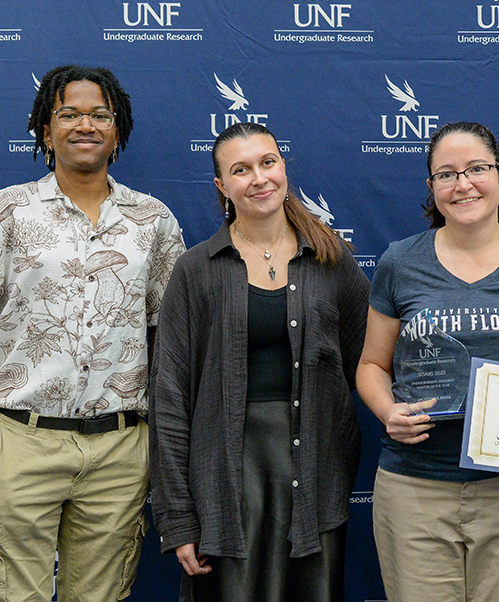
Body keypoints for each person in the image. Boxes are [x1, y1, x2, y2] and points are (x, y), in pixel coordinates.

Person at [0, 65, 186, 601]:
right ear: (45, 131)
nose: (84, 125)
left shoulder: (153, 221)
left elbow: (172, 337)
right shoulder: (3, 212)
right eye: (68, 114)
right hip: (21, 440)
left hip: (120, 450)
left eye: (100, 115)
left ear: (117, 130)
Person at [356, 121, 499, 602]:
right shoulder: (399, 262)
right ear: (431, 187)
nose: (462, 184)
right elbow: (372, 366)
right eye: (446, 174)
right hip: (414, 486)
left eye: (476, 169)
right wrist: (386, 411)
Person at [149, 122, 370, 602]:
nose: (258, 178)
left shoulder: (332, 259)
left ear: (283, 167)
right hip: (224, 484)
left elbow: (370, 365)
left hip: (316, 480)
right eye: (240, 170)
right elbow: (168, 399)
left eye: (267, 162)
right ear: (221, 186)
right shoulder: (196, 270)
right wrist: (179, 518)